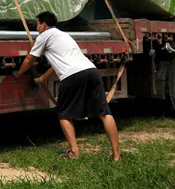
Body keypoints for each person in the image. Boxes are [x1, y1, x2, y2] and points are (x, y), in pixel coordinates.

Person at [15, 11, 121, 161]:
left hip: (72, 76)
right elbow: (58, 64)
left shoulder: (44, 36)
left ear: (44, 24)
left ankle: (74, 152)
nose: (36, 28)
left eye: (37, 24)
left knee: (64, 114)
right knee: (105, 113)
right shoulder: (64, 35)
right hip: (91, 71)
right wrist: (42, 79)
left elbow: (29, 59)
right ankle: (116, 156)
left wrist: (18, 74)